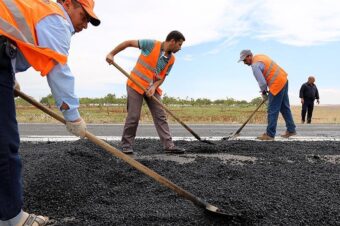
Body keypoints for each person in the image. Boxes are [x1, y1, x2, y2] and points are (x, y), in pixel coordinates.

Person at [0, 0, 100, 225]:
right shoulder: (57, 19)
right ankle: (12, 219)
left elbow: (10, 36)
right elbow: (58, 70)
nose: (85, 25)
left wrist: (9, 74)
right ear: (67, 3)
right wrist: (72, 116)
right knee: (4, 144)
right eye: (84, 16)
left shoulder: (40, 11)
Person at [106, 31, 186, 154]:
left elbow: (163, 77)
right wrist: (112, 54)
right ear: (172, 41)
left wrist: (154, 87)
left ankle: (169, 146)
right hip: (135, 84)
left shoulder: (171, 60)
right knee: (134, 116)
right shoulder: (151, 44)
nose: (180, 48)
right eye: (179, 45)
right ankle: (126, 145)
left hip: (151, 89)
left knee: (161, 115)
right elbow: (128, 43)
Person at [238, 49, 296, 140]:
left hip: (277, 84)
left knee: (272, 109)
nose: (244, 63)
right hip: (283, 80)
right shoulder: (261, 56)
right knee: (284, 107)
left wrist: (264, 93)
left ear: (249, 56)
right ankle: (291, 129)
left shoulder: (254, 66)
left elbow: (262, 83)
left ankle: (270, 134)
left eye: (244, 60)